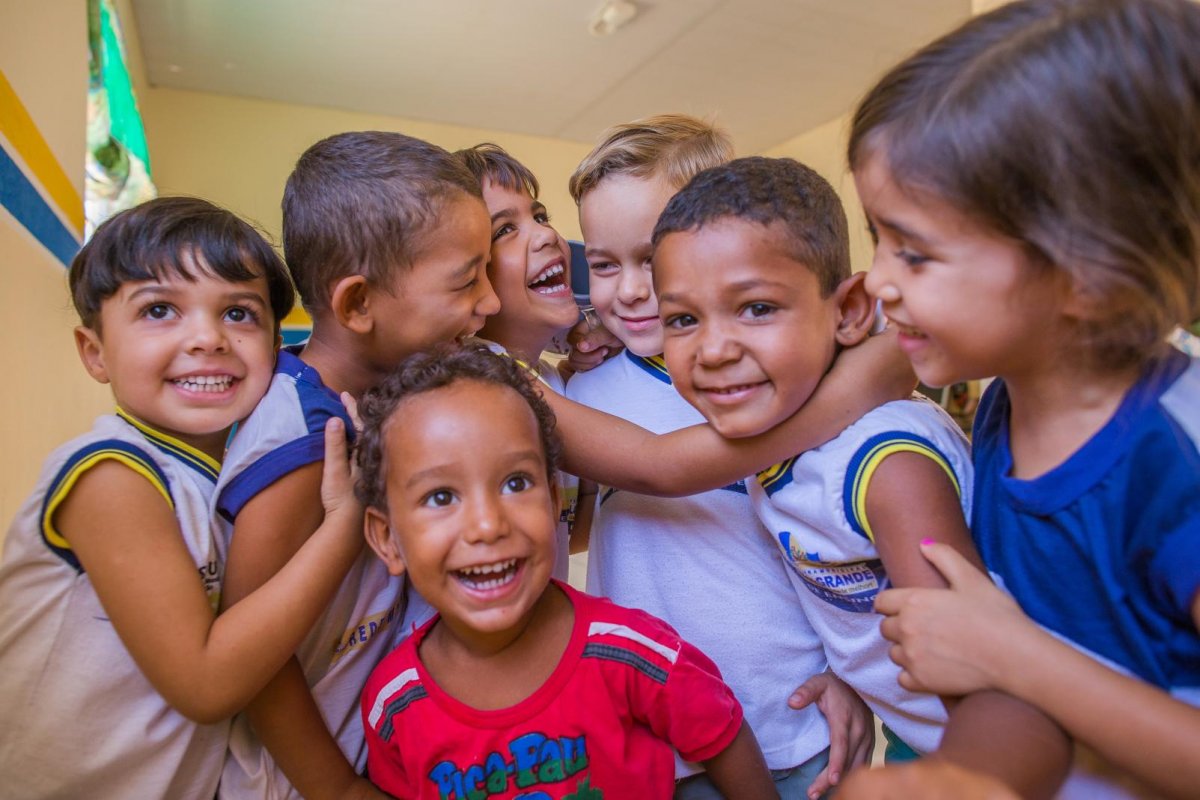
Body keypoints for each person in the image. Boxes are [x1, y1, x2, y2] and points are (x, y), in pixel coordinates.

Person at [841, 0, 1200, 796]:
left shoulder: (1175, 464)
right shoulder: (1010, 399)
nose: (877, 280)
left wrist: (1014, 655)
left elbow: (1009, 653)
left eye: (915, 252)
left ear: (1087, 274)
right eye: (878, 238)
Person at [0, 197, 365, 798]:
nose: (208, 338)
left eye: (240, 314)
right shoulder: (110, 477)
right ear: (95, 352)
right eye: (160, 309)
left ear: (277, 346)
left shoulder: (225, 472)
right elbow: (205, 684)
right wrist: (344, 526)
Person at [565, 116, 873, 799]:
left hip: (790, 722)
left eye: (651, 258)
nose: (630, 289)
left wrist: (851, 676)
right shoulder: (578, 390)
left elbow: (844, 550)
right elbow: (578, 524)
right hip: (648, 741)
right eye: (604, 264)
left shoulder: (770, 379)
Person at [652, 156, 981, 765]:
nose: (714, 350)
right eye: (682, 319)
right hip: (920, 734)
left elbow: (972, 672)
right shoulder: (782, 445)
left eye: (755, 308)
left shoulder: (885, 466)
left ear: (850, 311)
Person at [357, 344, 779, 799]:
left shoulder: (632, 652)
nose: (487, 525)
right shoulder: (393, 702)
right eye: (441, 497)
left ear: (555, 501)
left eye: (516, 483)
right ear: (387, 538)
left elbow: (722, 734)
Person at [215, 131, 500, 800]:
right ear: (358, 304)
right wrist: (337, 788)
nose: (490, 301)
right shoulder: (303, 442)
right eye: (467, 281)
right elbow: (255, 658)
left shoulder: (385, 399)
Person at [455, 142, 593, 582]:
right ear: (467, 275)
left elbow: (571, 533)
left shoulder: (551, 375)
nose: (547, 234)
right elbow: (655, 465)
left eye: (539, 215)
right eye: (505, 230)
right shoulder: (485, 376)